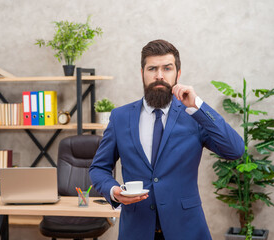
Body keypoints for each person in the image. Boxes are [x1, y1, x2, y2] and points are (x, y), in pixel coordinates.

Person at [89, 39, 244, 240]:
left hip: (187, 230)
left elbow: (235, 149)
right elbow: (99, 168)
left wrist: (198, 106)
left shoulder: (194, 116)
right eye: (152, 68)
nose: (159, 75)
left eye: (167, 68)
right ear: (142, 73)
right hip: (136, 231)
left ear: (178, 74)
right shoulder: (120, 117)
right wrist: (112, 190)